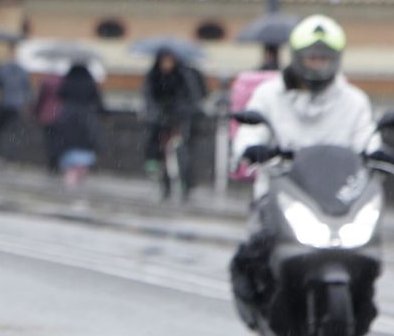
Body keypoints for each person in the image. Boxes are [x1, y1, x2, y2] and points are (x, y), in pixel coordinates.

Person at [230, 16, 377, 312]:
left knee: (367, 251)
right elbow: (251, 128)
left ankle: (362, 301)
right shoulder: (269, 95)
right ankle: (258, 301)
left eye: (324, 58)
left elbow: (366, 136)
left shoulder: (353, 100)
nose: (317, 64)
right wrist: (250, 148)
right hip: (281, 191)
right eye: (311, 57)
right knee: (256, 250)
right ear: (297, 57)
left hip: (337, 197)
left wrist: (376, 153)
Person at [140, 51, 204, 201]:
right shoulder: (154, 77)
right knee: (162, 153)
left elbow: (192, 98)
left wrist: (181, 113)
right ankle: (165, 185)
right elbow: (149, 98)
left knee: (182, 153)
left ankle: (185, 184)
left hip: (180, 121)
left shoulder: (184, 76)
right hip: (162, 121)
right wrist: (157, 115)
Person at [51, 62, 104, 194]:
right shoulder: (90, 82)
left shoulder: (68, 81)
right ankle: (81, 170)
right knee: (85, 144)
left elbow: (60, 94)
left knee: (69, 144)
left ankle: (70, 173)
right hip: (86, 118)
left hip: (69, 116)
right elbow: (97, 100)